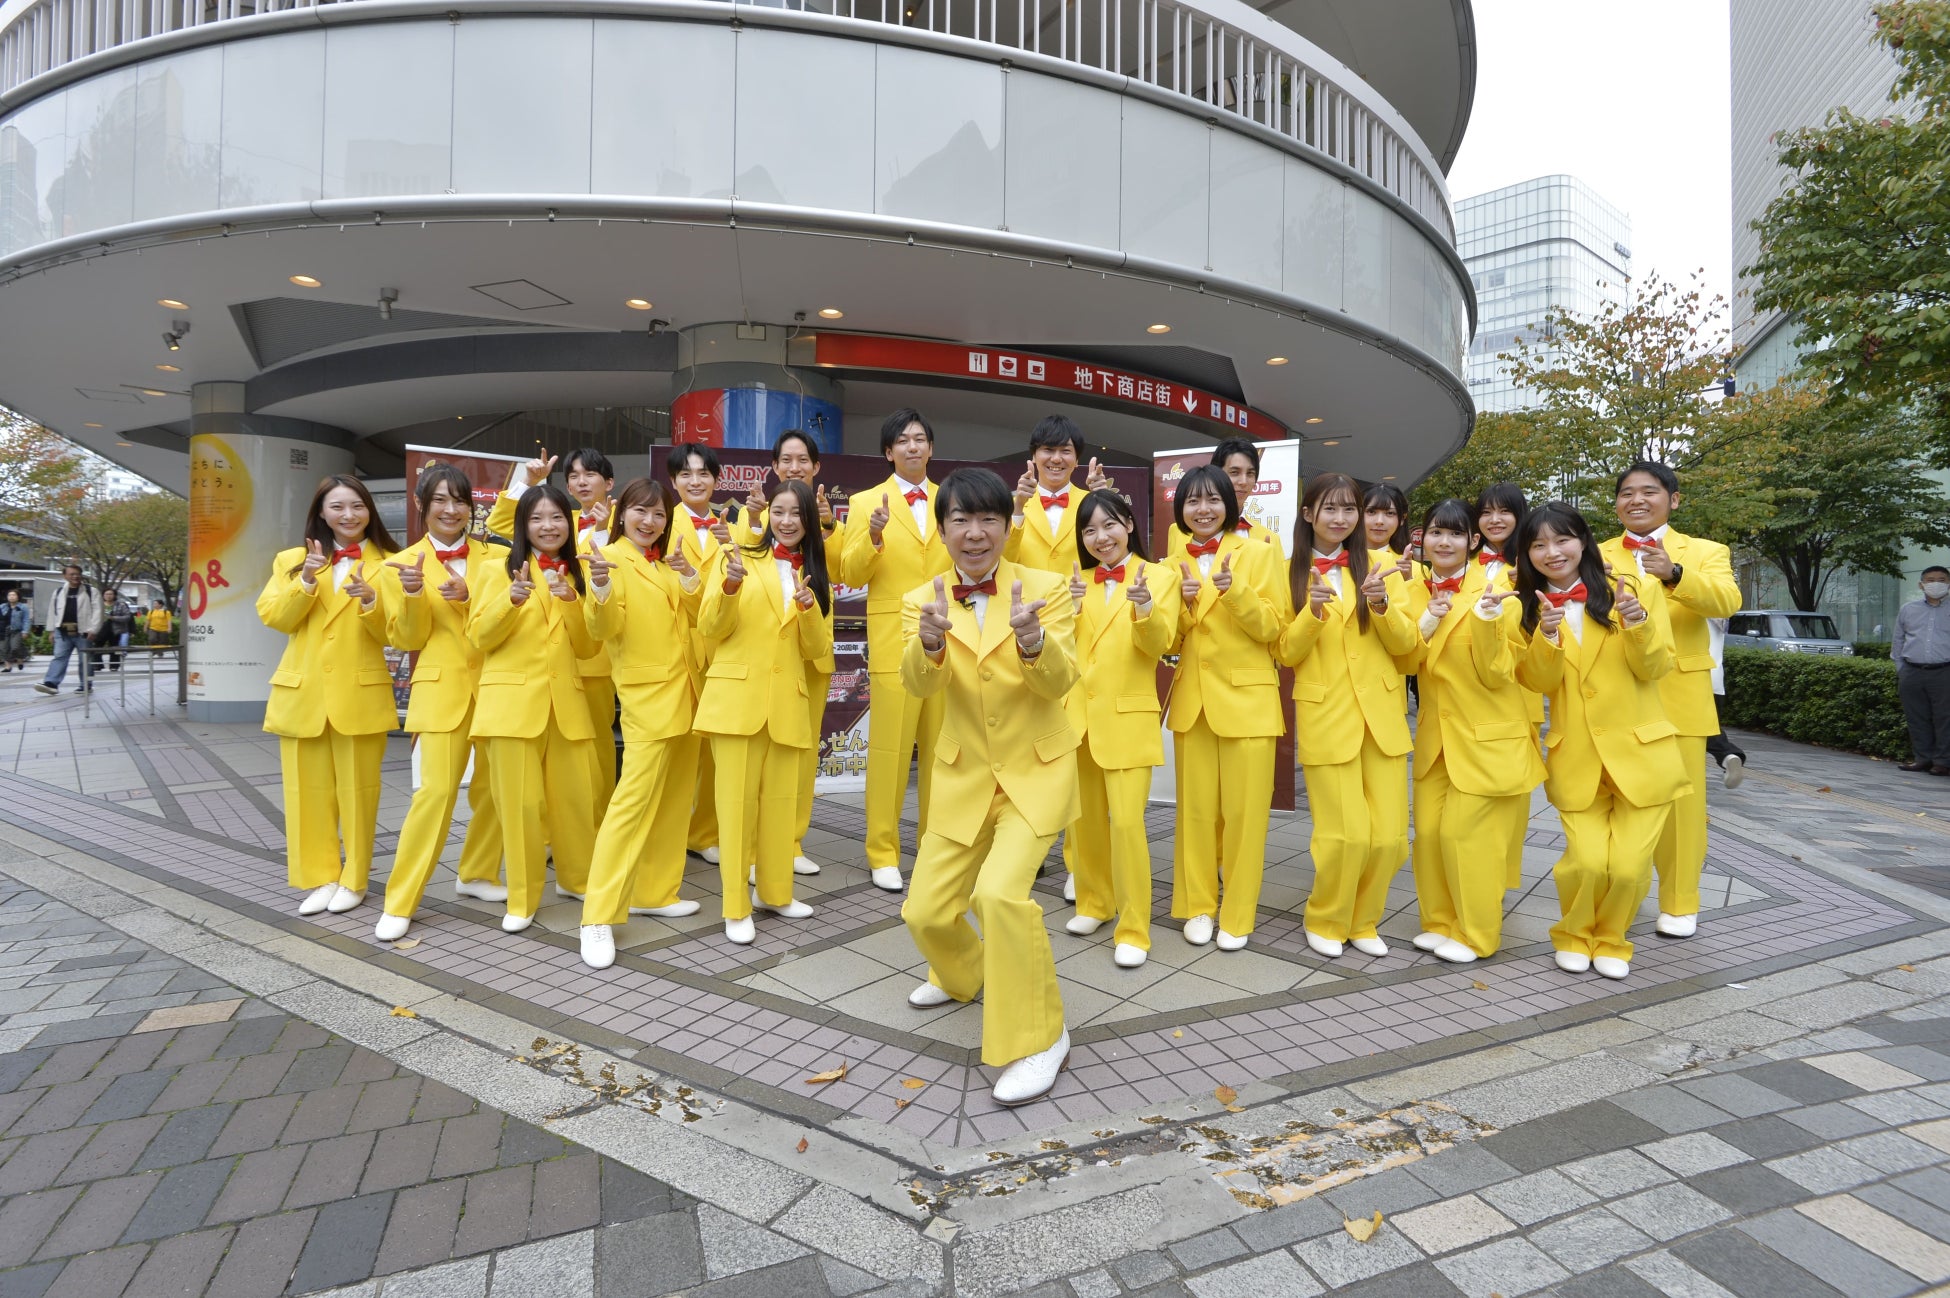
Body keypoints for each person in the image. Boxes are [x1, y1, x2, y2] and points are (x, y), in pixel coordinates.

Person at [900, 467, 1078, 1106]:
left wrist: (1034, 642)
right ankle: (965, 975)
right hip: (964, 775)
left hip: (1035, 772)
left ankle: (1041, 1037)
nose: (974, 534)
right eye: (960, 521)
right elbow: (919, 686)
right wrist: (927, 644)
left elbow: (1060, 684)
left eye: (988, 521)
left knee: (1000, 896)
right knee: (922, 910)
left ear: (1008, 526)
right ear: (943, 528)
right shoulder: (923, 596)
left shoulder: (1049, 589)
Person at [1514, 503, 1684, 980]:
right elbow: (1536, 682)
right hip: (1577, 755)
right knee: (1585, 863)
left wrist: (1637, 623)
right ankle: (1574, 935)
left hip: (1642, 753)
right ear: (1528, 554)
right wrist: (1544, 636)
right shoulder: (1526, 604)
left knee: (1628, 868)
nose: (1552, 552)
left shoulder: (1635, 589)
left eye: (1562, 539)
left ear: (1584, 540)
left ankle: (1611, 939)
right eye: (1539, 544)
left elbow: (1656, 668)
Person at [1599, 461, 1741, 940]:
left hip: (1680, 699)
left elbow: (1727, 601)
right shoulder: (1594, 553)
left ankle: (1680, 902)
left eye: (1649, 492)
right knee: (1615, 803)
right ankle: (1617, 894)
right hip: (1619, 698)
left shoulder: (1704, 551)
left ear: (1673, 499)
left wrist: (1675, 573)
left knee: (1682, 810)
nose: (1636, 500)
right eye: (1626, 493)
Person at [1278, 472, 1418, 959]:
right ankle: (1326, 917)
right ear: (1308, 513)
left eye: (1349, 509)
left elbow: (1408, 650)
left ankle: (1363, 919)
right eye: (1329, 508)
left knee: (1390, 839)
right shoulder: (1288, 571)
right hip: (1326, 715)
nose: (1340, 519)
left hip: (1381, 717)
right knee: (1344, 836)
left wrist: (1380, 603)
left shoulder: (1385, 567)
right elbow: (1285, 653)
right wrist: (1310, 615)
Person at [372, 465, 509, 944]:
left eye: (460, 501)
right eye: (441, 502)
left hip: (498, 687)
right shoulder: (400, 564)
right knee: (433, 796)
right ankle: (400, 899)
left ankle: (476, 873)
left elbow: (509, 614)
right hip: (441, 688)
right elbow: (406, 637)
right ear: (421, 506)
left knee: (497, 788)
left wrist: (473, 597)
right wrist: (412, 595)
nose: (452, 511)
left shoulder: (498, 556)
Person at [695, 480, 834, 945]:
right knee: (733, 809)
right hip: (736, 701)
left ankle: (774, 892)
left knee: (779, 807)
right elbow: (709, 626)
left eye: (797, 513)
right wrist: (731, 585)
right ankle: (735, 905)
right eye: (779, 511)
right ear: (767, 514)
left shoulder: (815, 571)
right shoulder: (737, 557)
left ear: (809, 521)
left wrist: (811, 608)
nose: (788, 520)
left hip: (788, 702)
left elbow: (818, 649)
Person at [255, 476, 401, 915]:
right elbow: (274, 617)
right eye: (337, 507)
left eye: (357, 506)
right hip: (303, 694)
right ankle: (320, 877)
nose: (349, 515)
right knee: (306, 793)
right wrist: (307, 582)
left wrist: (373, 601)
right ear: (321, 512)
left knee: (360, 792)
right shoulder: (293, 560)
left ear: (369, 511)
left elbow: (398, 632)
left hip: (360, 692)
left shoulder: (391, 563)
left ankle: (355, 878)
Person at [1404, 500, 1540, 965]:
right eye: (1437, 533)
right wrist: (1426, 620)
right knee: (1429, 835)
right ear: (1423, 539)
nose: (1445, 542)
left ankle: (1476, 933)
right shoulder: (1412, 590)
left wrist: (1483, 620)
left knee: (1467, 839)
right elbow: (1403, 658)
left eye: (1456, 534)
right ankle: (1439, 921)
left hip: (1484, 735)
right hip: (1435, 737)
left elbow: (1500, 671)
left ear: (1474, 542)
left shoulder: (1498, 586)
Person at [580, 477, 706, 969]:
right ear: (622, 513)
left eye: (658, 514)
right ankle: (597, 916)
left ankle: (656, 890)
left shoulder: (669, 560)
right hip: (647, 700)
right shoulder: (610, 557)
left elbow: (701, 619)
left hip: (689, 696)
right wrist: (600, 585)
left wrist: (691, 577)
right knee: (629, 807)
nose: (650, 521)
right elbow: (602, 628)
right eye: (640, 511)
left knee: (675, 801)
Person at [469, 483, 601, 933]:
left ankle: (579, 880)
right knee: (521, 807)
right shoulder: (496, 570)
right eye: (538, 519)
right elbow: (478, 637)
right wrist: (511, 601)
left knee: (575, 803)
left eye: (558, 517)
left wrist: (573, 602)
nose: (549, 527)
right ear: (523, 526)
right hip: (511, 707)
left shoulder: (576, 574)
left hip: (566, 707)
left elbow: (586, 648)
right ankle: (523, 899)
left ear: (571, 522)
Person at [1166, 466, 1287, 950]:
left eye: (1212, 499)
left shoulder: (1259, 552)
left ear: (1230, 504)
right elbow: (1168, 639)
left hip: (1250, 700)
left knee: (1245, 816)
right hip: (1194, 701)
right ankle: (1198, 905)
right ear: (1182, 510)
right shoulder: (1172, 560)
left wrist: (1233, 590)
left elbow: (1274, 629)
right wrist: (1182, 606)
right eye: (1192, 501)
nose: (1203, 509)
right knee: (1194, 814)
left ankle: (1237, 913)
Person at [1062, 489, 1181, 968]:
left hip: (1128, 718)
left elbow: (1161, 644)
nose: (1100, 537)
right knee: (1084, 823)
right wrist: (1066, 613)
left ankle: (1134, 927)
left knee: (1128, 826)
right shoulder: (1076, 582)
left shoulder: (1160, 577)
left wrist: (1145, 609)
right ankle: (1094, 902)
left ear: (1129, 524)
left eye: (1109, 525)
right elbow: (1062, 655)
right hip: (1077, 721)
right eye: (1089, 530)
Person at [840, 408, 954, 892]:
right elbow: (849, 573)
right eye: (903, 440)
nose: (912, 447)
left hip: (948, 638)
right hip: (893, 644)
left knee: (942, 751)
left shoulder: (952, 498)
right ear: (888, 451)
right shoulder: (866, 502)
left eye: (920, 439)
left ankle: (934, 845)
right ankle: (882, 850)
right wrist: (872, 538)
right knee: (889, 753)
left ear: (930, 448)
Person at [1004, 414, 1111, 903]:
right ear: (1033, 456)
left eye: (1066, 450)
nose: (1056, 458)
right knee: (1023, 749)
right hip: (1020, 632)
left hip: (1078, 633)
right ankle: (1024, 853)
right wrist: (1018, 511)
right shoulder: (1012, 505)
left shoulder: (1093, 504)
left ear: (1077, 457)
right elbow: (998, 558)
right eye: (1048, 449)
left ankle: (1076, 860)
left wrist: (1105, 505)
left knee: (1071, 752)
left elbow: (1110, 559)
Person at [733, 430, 845, 875]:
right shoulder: (757, 512)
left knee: (799, 758)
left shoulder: (823, 515)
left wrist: (830, 524)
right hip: (761, 656)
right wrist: (755, 514)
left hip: (810, 653)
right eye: (787, 459)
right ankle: (751, 846)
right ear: (774, 465)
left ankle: (790, 843)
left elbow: (844, 568)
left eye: (803, 460)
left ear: (817, 467)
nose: (795, 466)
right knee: (754, 758)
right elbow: (740, 556)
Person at [489, 448, 620, 829]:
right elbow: (502, 522)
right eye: (573, 476)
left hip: (591, 658)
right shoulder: (557, 518)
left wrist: (603, 530)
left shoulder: (622, 522)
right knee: (545, 756)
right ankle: (550, 834)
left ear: (608, 483)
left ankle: (596, 829)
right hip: (540, 662)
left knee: (594, 752)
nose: (581, 481)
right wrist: (528, 482)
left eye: (590, 474)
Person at [665, 443, 735, 866]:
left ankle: (703, 831)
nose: (696, 481)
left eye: (703, 473)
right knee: (677, 750)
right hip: (675, 649)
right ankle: (669, 834)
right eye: (686, 474)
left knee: (714, 749)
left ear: (716, 479)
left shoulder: (733, 526)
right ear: (673, 481)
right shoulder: (657, 522)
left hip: (723, 649)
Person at [1168, 439, 1277, 556]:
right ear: (1216, 475)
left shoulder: (1270, 538)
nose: (1243, 482)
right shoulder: (1178, 532)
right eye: (1234, 472)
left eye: (1250, 473)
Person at [1894, 565, 1950, 775]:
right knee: (1916, 717)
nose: (1936, 583)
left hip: (1945, 671)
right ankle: (1922, 758)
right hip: (1912, 670)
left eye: (1942, 579)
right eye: (1930, 579)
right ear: (1921, 584)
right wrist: (1901, 668)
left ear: (1949, 583)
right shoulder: (1908, 609)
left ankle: (1943, 762)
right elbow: (1898, 640)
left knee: (1945, 718)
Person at [34, 565, 101, 695]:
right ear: (65, 576)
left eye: (77, 574)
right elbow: (53, 612)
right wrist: (52, 630)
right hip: (62, 631)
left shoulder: (91, 591)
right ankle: (51, 683)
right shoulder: (58, 592)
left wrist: (94, 630)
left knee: (85, 659)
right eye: (71, 574)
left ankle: (86, 685)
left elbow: (98, 612)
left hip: (84, 631)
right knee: (59, 657)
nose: (75, 576)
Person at [1704, 616, 1747, 787]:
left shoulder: (1682, 600)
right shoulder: (1718, 607)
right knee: (1708, 730)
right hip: (1716, 683)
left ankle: (1727, 753)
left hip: (1689, 680)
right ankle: (1728, 755)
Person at [1362, 482, 1412, 558]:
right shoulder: (1339, 558)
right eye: (1371, 512)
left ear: (1402, 518)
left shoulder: (1414, 568)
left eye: (1390, 513)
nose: (1379, 521)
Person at [98, 589, 133, 671]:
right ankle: (98, 665)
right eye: (106, 594)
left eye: (110, 594)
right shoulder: (99, 605)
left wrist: (113, 618)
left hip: (115, 629)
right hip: (100, 628)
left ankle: (114, 665)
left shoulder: (121, 605)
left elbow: (127, 617)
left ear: (114, 595)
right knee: (97, 646)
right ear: (103, 595)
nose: (108, 596)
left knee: (114, 647)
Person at [3, 589, 30, 671]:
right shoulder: (3, 606)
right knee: (4, 648)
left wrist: (25, 631)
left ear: (18, 597)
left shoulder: (23, 607)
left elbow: (26, 620)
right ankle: (8, 666)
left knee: (15, 647)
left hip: (17, 630)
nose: (11, 597)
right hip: (4, 630)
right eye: (9, 595)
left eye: (13, 595)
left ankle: (20, 658)